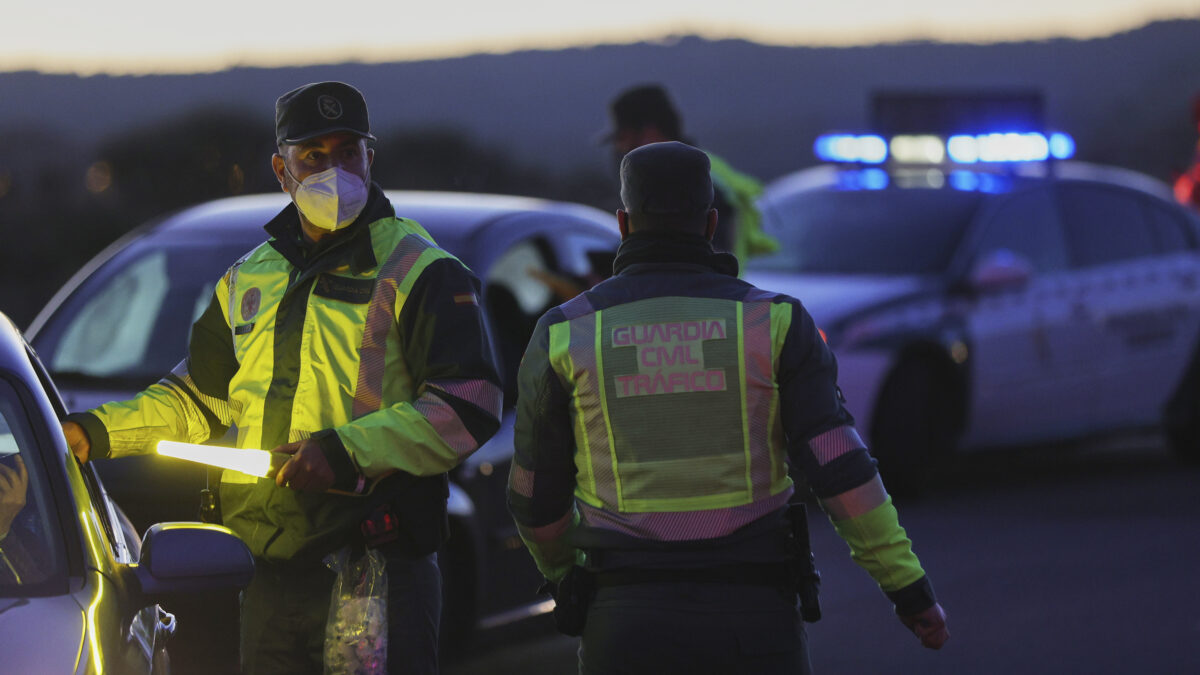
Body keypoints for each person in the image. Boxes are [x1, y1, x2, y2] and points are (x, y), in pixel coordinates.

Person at [61, 81, 503, 675]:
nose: (334, 169)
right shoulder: (248, 279)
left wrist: (343, 453)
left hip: (373, 566)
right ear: (281, 169)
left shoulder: (421, 270)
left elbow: (469, 405)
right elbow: (196, 400)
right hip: (266, 572)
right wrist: (93, 432)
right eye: (312, 156)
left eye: (348, 151)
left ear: (371, 157)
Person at [506, 141, 948, 674]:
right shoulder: (777, 323)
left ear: (624, 224)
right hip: (754, 617)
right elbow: (840, 468)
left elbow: (533, 496)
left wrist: (563, 576)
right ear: (711, 223)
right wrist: (909, 590)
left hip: (624, 622)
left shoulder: (565, 333)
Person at [602, 83, 780, 263]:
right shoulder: (701, 172)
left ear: (650, 134)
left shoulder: (692, 181)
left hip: (703, 290)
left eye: (623, 138)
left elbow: (700, 258)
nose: (619, 148)